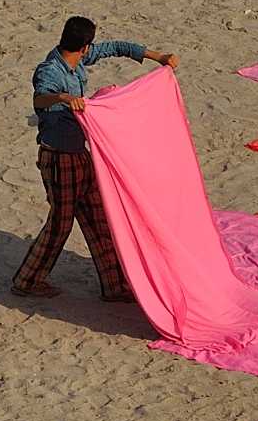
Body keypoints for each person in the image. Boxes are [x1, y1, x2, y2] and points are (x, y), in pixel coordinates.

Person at [11, 16, 177, 301]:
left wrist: (158, 57)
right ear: (84, 47)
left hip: (77, 156)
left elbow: (117, 47)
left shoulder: (74, 61)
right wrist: (63, 98)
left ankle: (114, 286)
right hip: (57, 158)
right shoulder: (51, 71)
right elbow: (40, 99)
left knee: (98, 216)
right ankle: (26, 280)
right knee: (60, 224)